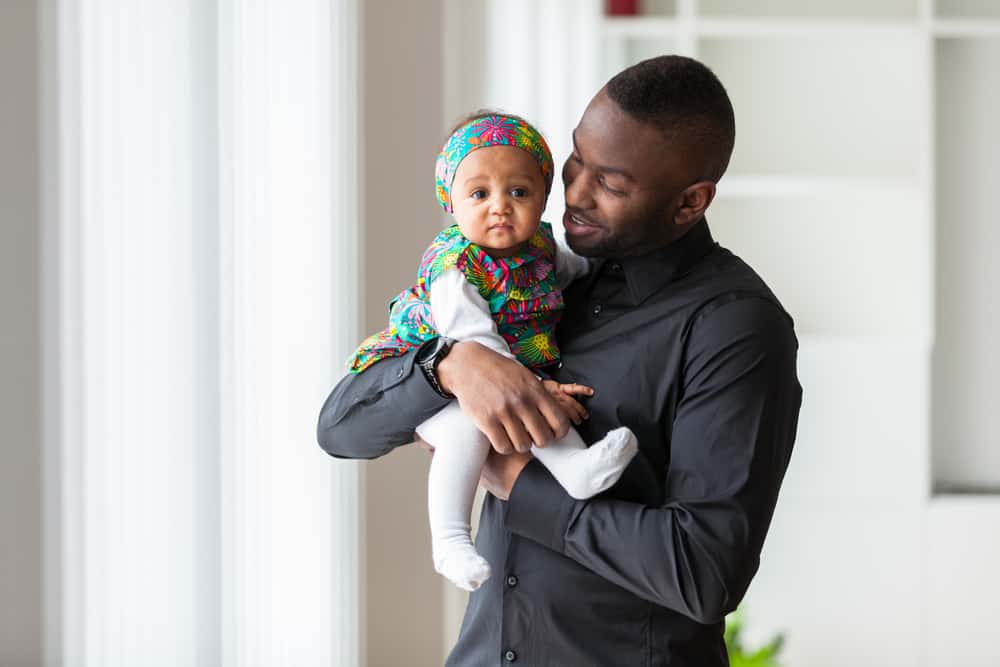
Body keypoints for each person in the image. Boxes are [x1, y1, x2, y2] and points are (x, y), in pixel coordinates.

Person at [317, 55, 802, 667]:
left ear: (690, 203)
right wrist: (450, 366)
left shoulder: (737, 327)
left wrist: (519, 480)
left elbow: (702, 572)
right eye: (576, 159)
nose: (573, 193)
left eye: (612, 184)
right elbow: (339, 428)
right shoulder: (528, 277)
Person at [345, 111, 639, 592]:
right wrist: (536, 386)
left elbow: (571, 271)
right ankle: (451, 540)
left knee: (537, 413)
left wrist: (609, 262)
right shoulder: (454, 267)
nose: (500, 206)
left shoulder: (539, 246)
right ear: (452, 202)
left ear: (543, 197)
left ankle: (578, 471)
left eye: (518, 192)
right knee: (468, 430)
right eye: (480, 194)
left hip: (508, 369)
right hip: (444, 382)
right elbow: (479, 353)